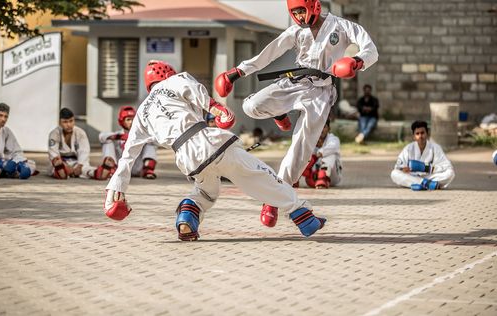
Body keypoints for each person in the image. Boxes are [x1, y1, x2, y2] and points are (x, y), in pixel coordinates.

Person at [103, 60, 326, 241]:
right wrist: (215, 107)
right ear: (167, 74)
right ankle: (303, 216)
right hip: (206, 140)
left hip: (186, 158)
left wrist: (117, 191)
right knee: (258, 174)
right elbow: (192, 89)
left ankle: (187, 219)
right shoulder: (175, 80)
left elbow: (128, 155)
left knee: (206, 191)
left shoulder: (142, 112)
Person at [214, 0, 378, 227]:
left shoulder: (342, 27)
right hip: (295, 83)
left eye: (302, 11)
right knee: (251, 106)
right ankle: (278, 112)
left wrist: (357, 61)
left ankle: (273, 198)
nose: (299, 17)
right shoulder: (296, 32)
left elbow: (370, 48)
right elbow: (269, 52)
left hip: (321, 92)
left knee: (300, 150)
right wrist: (238, 72)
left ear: (315, 7)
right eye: (295, 12)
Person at [95, 106, 158, 180]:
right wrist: (120, 136)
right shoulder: (117, 135)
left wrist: (143, 139)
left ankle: (148, 170)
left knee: (150, 143)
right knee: (107, 142)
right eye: (128, 120)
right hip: (119, 168)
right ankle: (110, 169)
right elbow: (101, 137)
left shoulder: (141, 135)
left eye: (133, 119)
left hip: (137, 169)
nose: (131, 122)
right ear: (122, 121)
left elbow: (156, 140)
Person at [391, 121, 455, 190]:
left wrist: (427, 168)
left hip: (430, 176)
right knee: (394, 174)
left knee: (450, 173)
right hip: (413, 176)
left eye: (422, 133)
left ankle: (420, 184)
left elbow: (447, 166)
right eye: (417, 134)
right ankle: (426, 184)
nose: (420, 136)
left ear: (427, 134)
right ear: (414, 136)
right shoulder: (408, 149)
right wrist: (403, 169)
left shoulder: (435, 148)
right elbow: (397, 166)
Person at [0, 103, 36, 179]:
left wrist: (18, 163)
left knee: (31, 164)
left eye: (5, 116)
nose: (3, 119)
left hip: (3, 163)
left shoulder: (6, 131)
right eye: (0, 115)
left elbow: (17, 151)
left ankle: (7, 170)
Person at [47, 108, 96, 179]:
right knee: (56, 167)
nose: (69, 125)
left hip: (77, 162)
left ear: (74, 120)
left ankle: (96, 173)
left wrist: (79, 166)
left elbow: (84, 151)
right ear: (59, 122)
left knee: (86, 169)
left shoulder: (80, 132)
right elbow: (53, 154)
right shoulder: (54, 134)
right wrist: (64, 166)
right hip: (61, 163)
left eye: (71, 121)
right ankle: (61, 172)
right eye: (65, 122)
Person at [300, 119, 342, 189]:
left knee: (331, 154)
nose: (321, 129)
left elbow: (333, 147)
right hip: (313, 176)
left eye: (324, 127)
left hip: (332, 177)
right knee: (302, 155)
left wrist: (316, 156)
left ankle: (323, 177)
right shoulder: (310, 141)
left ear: (329, 129)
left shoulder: (333, 139)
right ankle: (294, 180)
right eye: (319, 127)